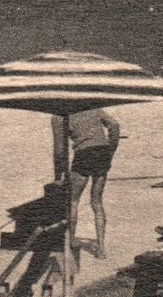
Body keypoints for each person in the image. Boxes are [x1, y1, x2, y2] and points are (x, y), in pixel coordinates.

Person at [52, 107, 121, 257]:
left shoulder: (58, 115)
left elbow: (59, 151)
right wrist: (111, 150)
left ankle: (70, 241)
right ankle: (101, 248)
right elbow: (114, 125)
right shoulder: (90, 106)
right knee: (97, 202)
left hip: (83, 154)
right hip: (102, 152)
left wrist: (58, 176)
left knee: (73, 201)